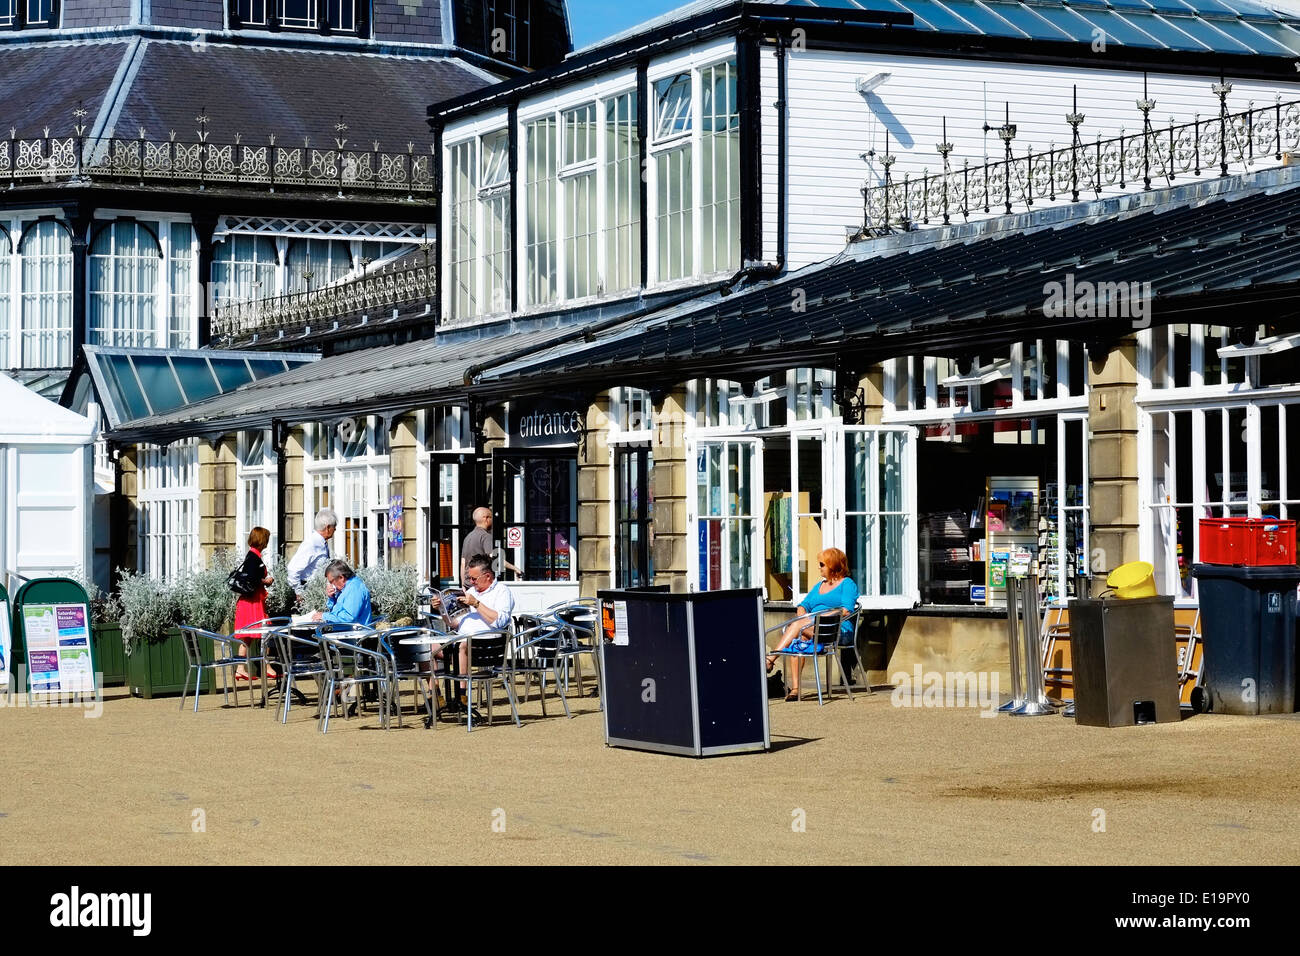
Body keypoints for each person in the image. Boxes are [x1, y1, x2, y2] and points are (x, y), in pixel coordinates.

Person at [765, 548, 859, 702]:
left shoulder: (847, 584)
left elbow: (846, 611)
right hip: (812, 628)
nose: (819, 567)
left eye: (822, 564)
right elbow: (804, 604)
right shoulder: (819, 586)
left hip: (836, 629)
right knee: (799, 637)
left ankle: (770, 659)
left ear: (832, 564)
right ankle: (795, 690)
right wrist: (803, 613)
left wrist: (817, 619)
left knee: (798, 627)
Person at [430, 553, 515, 711]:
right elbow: (454, 623)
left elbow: (500, 621)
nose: (471, 582)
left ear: (487, 576)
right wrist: (442, 608)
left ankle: (462, 696)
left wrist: (476, 603)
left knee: (463, 645)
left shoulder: (502, 592)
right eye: (469, 579)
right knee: (431, 647)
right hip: (462, 640)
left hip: (486, 646)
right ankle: (436, 696)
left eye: (474, 579)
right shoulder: (473, 592)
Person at [232, 526, 275, 681]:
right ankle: (266, 666)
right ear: (262, 540)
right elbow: (251, 579)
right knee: (267, 632)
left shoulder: (252, 555)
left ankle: (240, 669)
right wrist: (266, 580)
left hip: (251, 601)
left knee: (247, 637)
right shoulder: (254, 558)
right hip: (252, 602)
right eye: (267, 540)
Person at [460, 507, 521, 583]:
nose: (493, 521)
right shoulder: (486, 536)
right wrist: (515, 568)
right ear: (486, 519)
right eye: (492, 518)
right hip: (481, 583)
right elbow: (495, 559)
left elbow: (463, 563)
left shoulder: (468, 537)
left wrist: (463, 583)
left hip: (469, 583)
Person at [310, 559, 373, 628]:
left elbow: (349, 618)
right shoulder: (345, 588)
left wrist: (324, 616)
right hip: (344, 631)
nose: (331, 585)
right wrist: (332, 597)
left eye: (331, 582)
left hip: (354, 634)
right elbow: (335, 611)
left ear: (341, 577)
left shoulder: (354, 588)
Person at [287, 508, 337, 593]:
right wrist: (299, 592)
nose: (335, 529)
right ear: (328, 527)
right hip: (310, 591)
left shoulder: (320, 542)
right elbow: (292, 569)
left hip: (318, 591)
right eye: (334, 527)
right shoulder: (312, 543)